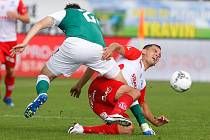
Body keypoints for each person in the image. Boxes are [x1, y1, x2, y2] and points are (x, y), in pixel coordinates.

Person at [10, 3, 140, 120]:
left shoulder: (68, 12)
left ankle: (43, 93)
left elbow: (39, 24)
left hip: (73, 45)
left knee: (45, 75)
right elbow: (93, 64)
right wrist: (80, 85)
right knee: (126, 88)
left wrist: (25, 42)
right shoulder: (93, 19)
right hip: (98, 50)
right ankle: (143, 125)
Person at [67, 43, 169, 135]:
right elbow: (116, 46)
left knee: (128, 129)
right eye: (155, 51)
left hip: (100, 104)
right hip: (101, 87)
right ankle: (116, 114)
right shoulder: (136, 55)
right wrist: (110, 49)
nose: (157, 55)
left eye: (159, 55)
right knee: (134, 92)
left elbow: (141, 105)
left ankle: (80, 129)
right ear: (144, 51)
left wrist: (154, 121)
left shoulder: (142, 83)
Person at [0, 0, 30, 107]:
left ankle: (7, 96)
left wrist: (16, 15)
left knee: (11, 72)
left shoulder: (17, 2)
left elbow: (27, 19)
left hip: (10, 42)